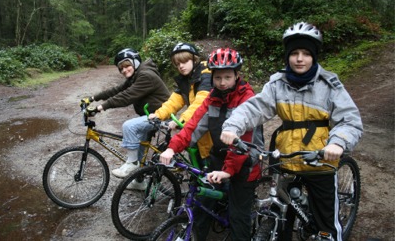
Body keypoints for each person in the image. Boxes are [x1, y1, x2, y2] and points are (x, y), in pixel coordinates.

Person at [220, 22, 363, 241]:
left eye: (306, 53)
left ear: (314, 56)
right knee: (280, 215)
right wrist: (232, 126)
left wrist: (338, 143)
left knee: (327, 227)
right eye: (294, 53)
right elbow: (254, 108)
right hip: (285, 158)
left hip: (320, 160)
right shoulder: (277, 84)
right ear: (287, 56)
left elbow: (350, 121)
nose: (299, 58)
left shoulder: (329, 85)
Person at [159, 48, 262, 241]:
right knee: (202, 206)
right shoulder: (212, 98)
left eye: (227, 77)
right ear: (212, 77)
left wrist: (229, 171)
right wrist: (172, 148)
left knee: (238, 217)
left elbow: (245, 142)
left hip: (245, 163)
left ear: (237, 76)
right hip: (218, 159)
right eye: (218, 78)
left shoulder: (248, 100)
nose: (222, 83)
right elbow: (192, 127)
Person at [84, 48, 170, 178]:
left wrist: (100, 107)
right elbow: (117, 90)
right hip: (150, 116)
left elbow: (126, 96)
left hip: (161, 116)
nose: (124, 70)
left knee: (129, 126)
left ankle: (132, 163)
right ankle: (139, 181)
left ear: (135, 63)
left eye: (127, 66)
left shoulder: (145, 75)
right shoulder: (136, 75)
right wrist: (92, 98)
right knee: (140, 149)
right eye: (121, 69)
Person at [148, 42, 213, 161]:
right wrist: (158, 114)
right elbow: (173, 101)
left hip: (211, 128)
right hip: (197, 127)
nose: (181, 66)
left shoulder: (206, 75)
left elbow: (201, 102)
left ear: (194, 59)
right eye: (177, 64)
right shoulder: (186, 79)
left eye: (184, 62)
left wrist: (181, 120)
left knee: (210, 164)